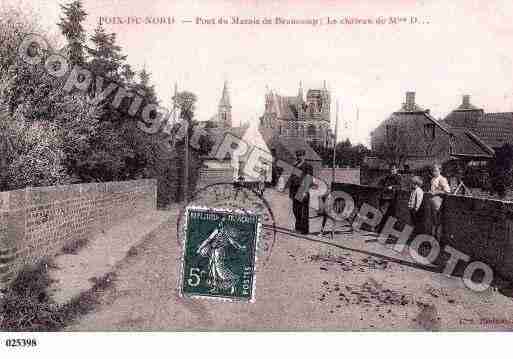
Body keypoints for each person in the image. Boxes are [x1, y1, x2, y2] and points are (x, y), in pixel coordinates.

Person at [289, 149, 313, 235]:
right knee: (295, 210)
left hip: (303, 190)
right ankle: (298, 227)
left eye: (301, 155)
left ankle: (305, 230)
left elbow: (308, 179)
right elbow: (292, 179)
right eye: (298, 155)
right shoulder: (295, 165)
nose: (299, 157)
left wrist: (305, 191)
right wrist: (291, 193)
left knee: (304, 211)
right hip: (295, 190)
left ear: (304, 156)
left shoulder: (308, 166)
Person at [375, 164, 402, 233]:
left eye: (393, 169)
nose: (391, 171)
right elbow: (383, 185)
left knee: (390, 215)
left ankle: (386, 230)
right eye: (391, 169)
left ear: (397, 169)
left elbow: (399, 186)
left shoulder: (398, 177)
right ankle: (381, 229)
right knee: (384, 214)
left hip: (392, 199)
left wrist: (392, 187)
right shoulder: (387, 177)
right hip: (385, 197)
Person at [430, 164, 450, 240]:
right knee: (434, 222)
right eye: (433, 171)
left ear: (440, 170)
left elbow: (447, 191)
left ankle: (437, 240)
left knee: (438, 223)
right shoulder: (432, 179)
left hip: (439, 203)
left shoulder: (442, 179)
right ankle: (432, 239)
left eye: (436, 170)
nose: (434, 172)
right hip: (433, 203)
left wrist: (436, 192)